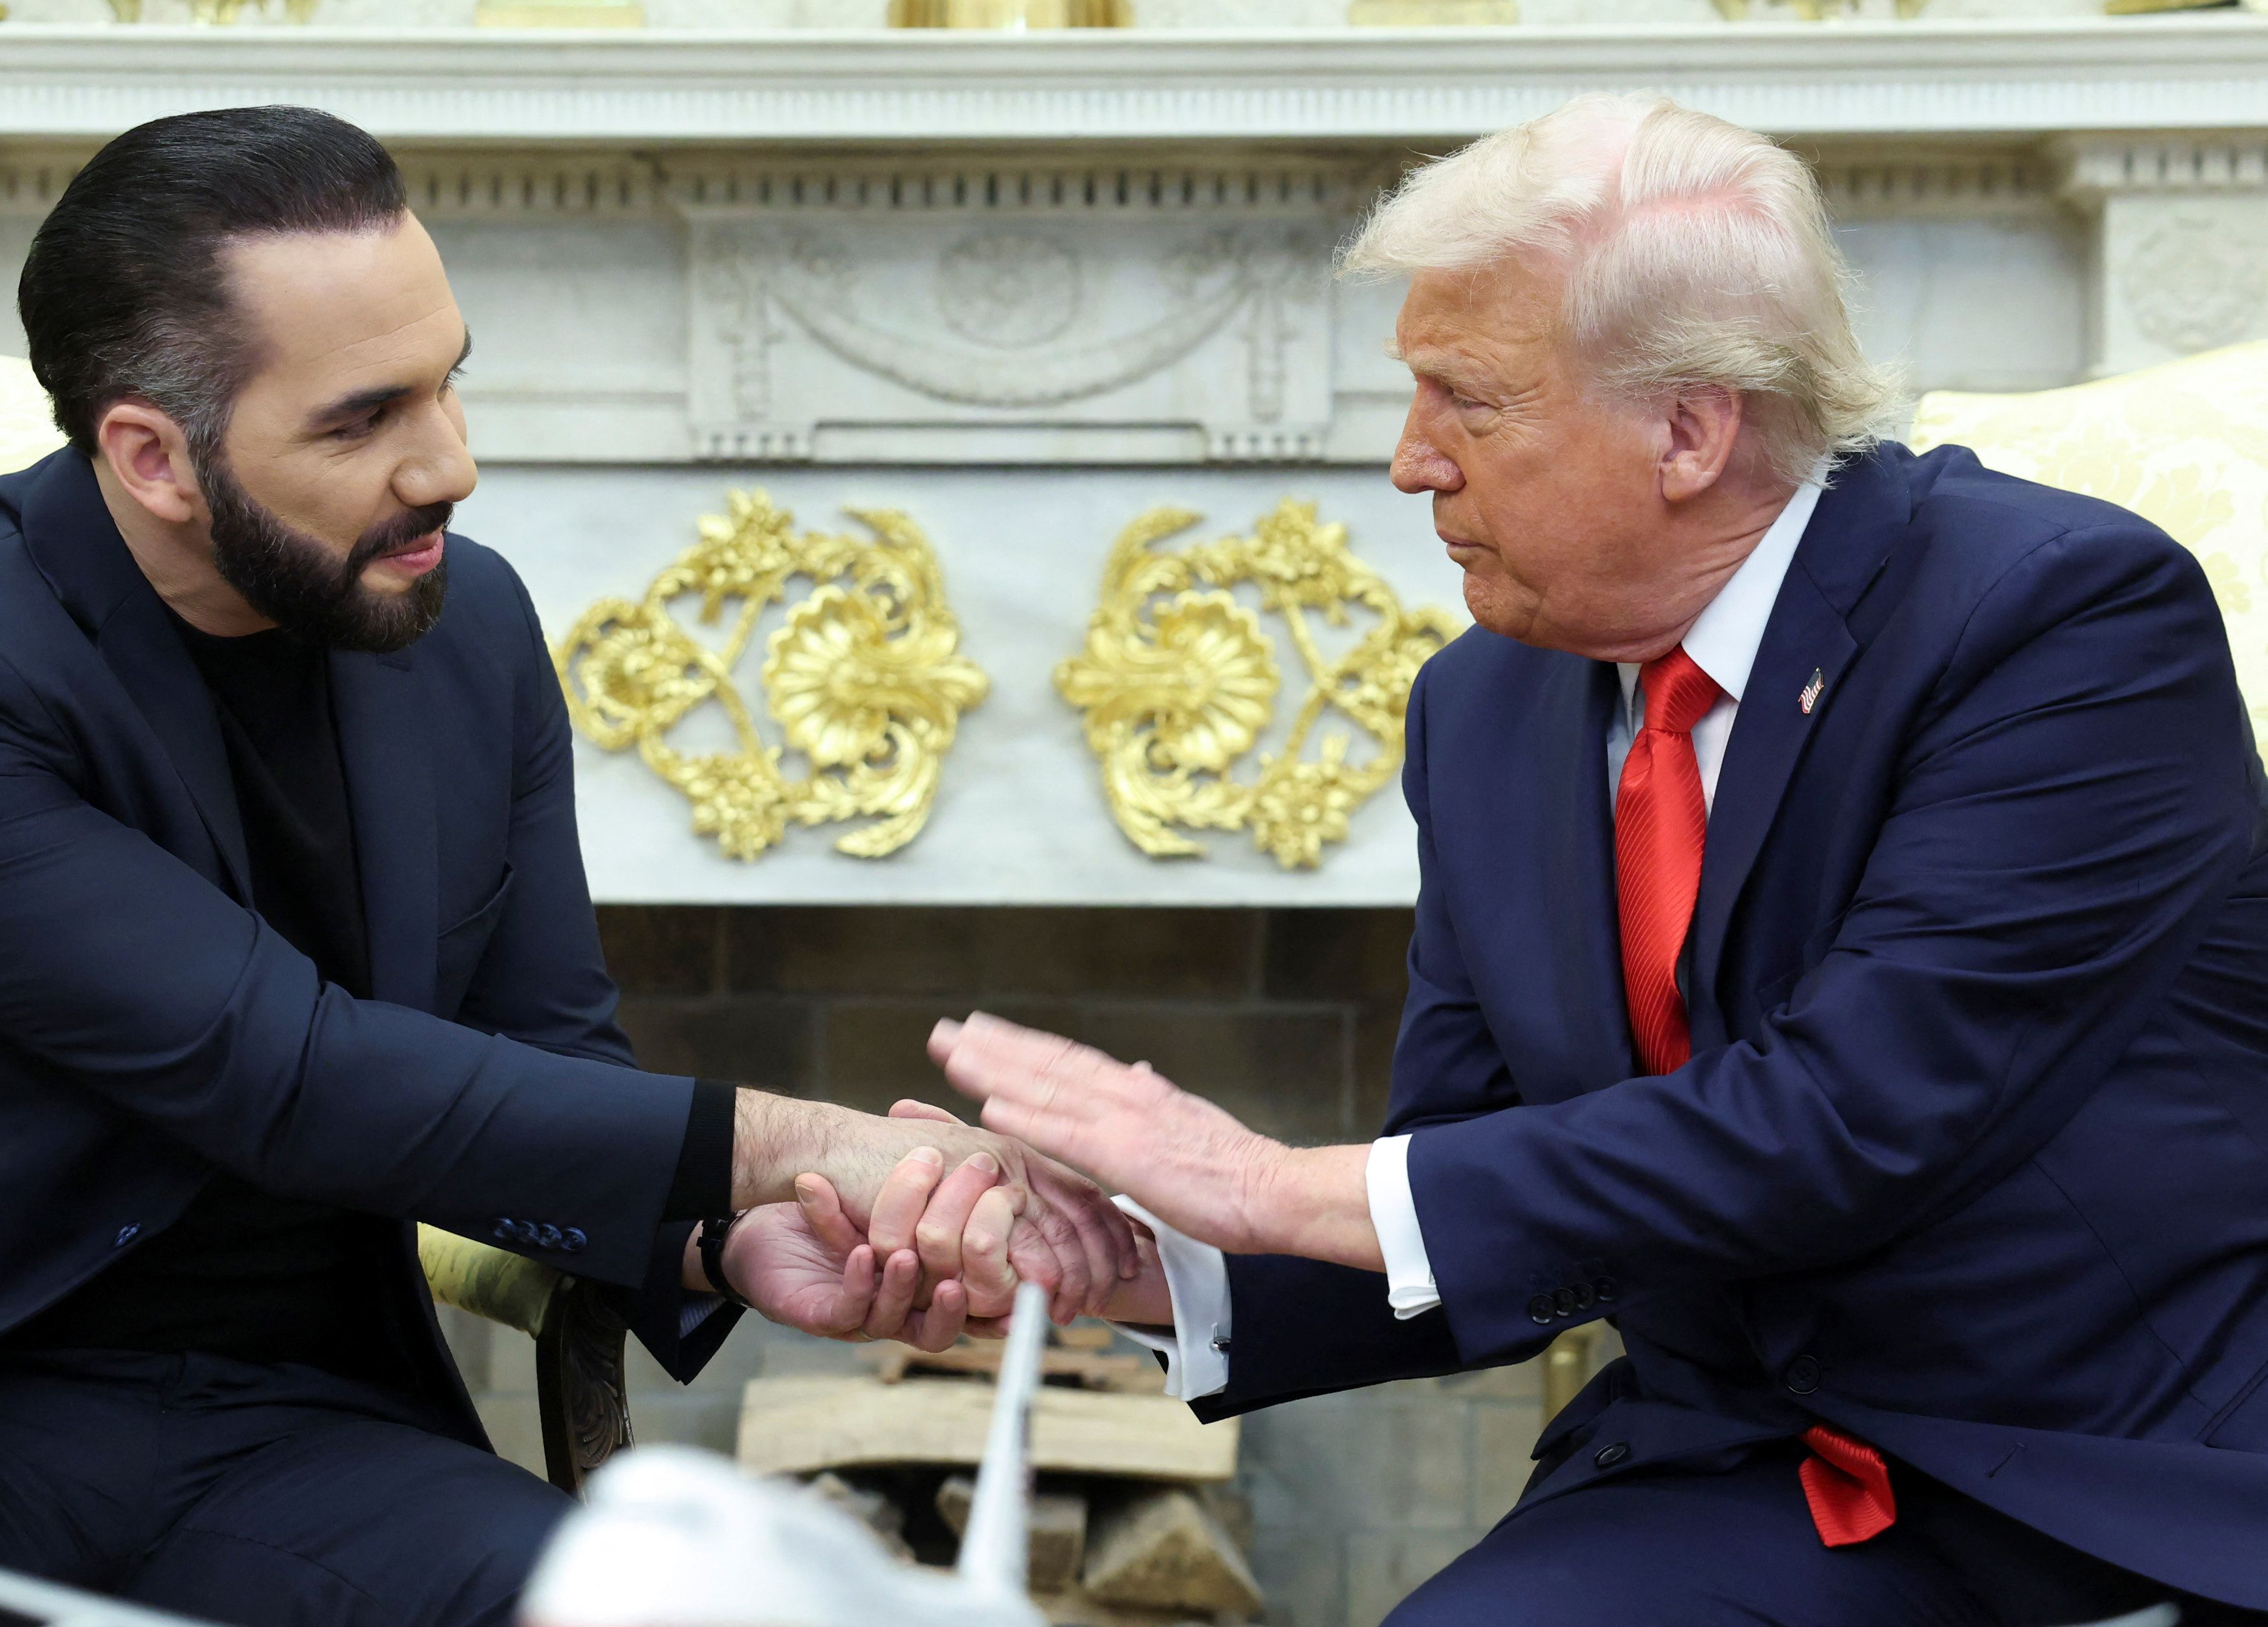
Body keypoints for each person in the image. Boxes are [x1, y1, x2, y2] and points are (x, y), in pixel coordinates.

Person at [0, 105, 1131, 1626]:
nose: (449, 465)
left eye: (446, 382)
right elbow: (278, 1068)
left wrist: (724, 1237)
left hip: (306, 1432)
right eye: (361, 422)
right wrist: (796, 1134)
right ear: (152, 456)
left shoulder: (464, 628)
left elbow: (541, 1054)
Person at [925, 93, 2268, 1624]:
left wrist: (1258, 1177)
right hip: (1734, 1464)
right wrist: (1140, 1262)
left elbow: (1849, 1117)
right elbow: (1477, 1162)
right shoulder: (1483, 705)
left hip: (2091, 1479)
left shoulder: (2052, 621)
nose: (1409, 463)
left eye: (1467, 403)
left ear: (1687, 429)